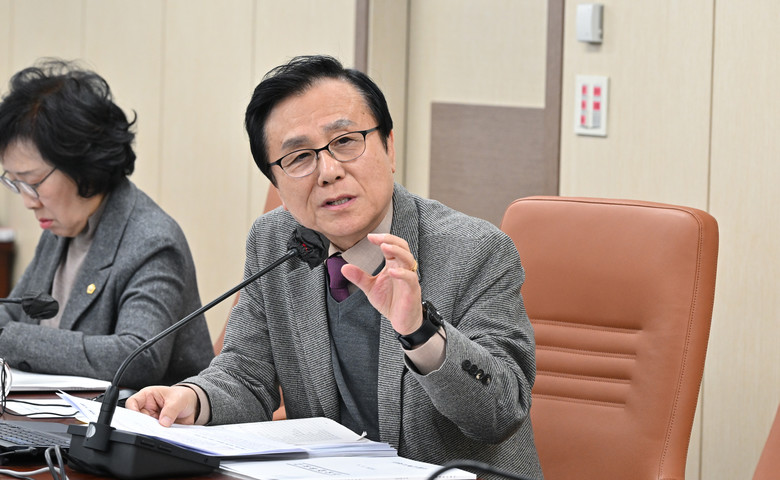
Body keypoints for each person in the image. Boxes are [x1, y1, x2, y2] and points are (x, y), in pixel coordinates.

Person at [127, 55, 543, 478]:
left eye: (345, 141)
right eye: (299, 157)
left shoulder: (475, 250)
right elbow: (246, 372)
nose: (328, 172)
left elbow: (502, 410)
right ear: (276, 183)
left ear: (389, 147)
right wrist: (193, 399)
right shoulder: (276, 242)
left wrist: (420, 331)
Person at [0, 59, 214, 389]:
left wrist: (13, 340)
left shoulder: (151, 239)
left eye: (33, 182)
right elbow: (12, 315)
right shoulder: (60, 226)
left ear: (82, 164)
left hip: (140, 420)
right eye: (15, 183)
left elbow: (138, 357)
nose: (29, 201)